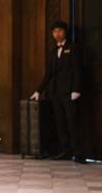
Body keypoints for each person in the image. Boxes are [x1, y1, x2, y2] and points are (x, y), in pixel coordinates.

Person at [30, 20, 85, 164]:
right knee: (60, 123)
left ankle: (79, 153)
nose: (57, 34)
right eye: (55, 31)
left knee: (72, 122)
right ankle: (66, 151)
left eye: (60, 31)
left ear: (65, 32)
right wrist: (38, 90)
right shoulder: (53, 51)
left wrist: (76, 89)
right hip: (56, 92)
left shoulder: (73, 48)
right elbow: (49, 73)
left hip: (69, 92)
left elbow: (77, 70)